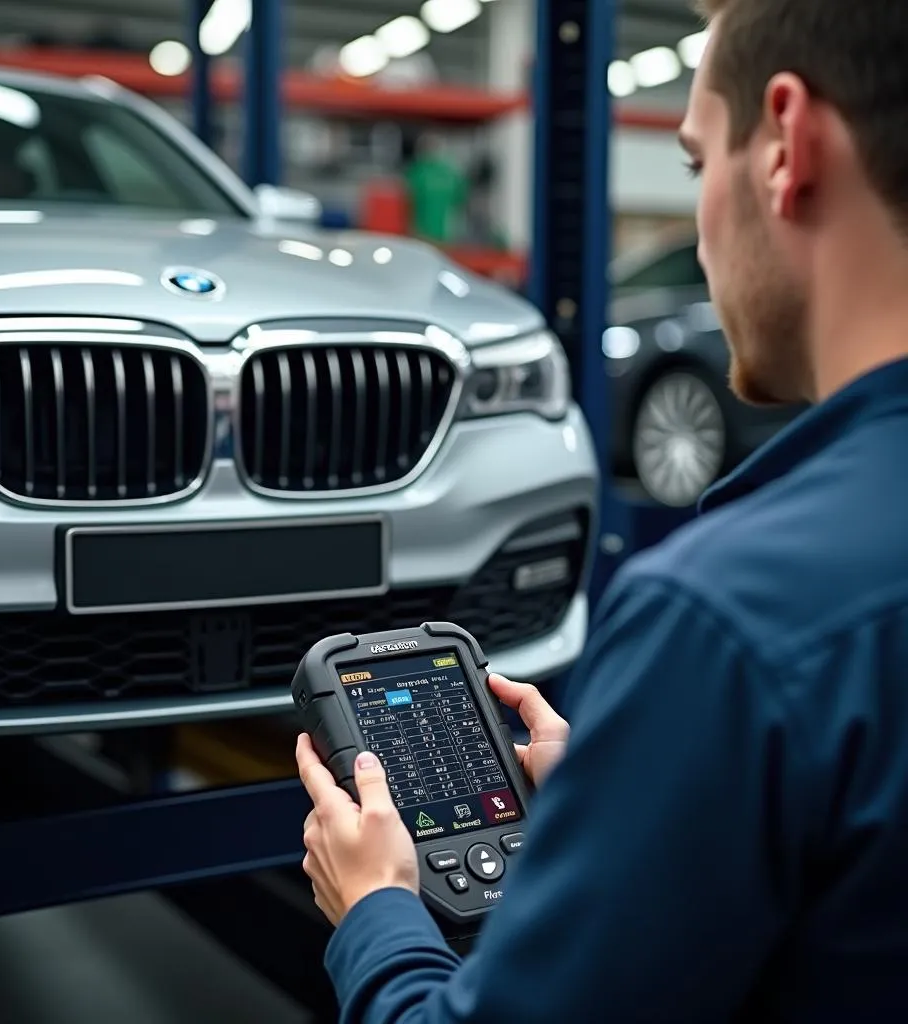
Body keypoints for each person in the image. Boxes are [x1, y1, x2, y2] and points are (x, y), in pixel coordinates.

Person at [296, 0, 908, 1019]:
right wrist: (654, 785)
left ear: (785, 148)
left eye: (694, 162)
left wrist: (376, 914)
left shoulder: (725, 623)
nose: (702, 230)